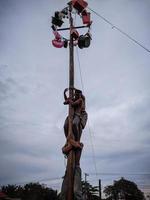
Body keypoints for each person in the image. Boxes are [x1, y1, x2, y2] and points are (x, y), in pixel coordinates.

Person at [62, 88, 88, 166]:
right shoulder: (74, 98)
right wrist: (65, 93)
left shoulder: (80, 100)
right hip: (71, 116)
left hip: (77, 115)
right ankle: (68, 139)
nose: (77, 95)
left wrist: (72, 89)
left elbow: (72, 104)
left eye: (78, 94)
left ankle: (76, 139)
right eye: (76, 94)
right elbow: (65, 102)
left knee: (74, 124)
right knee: (65, 125)